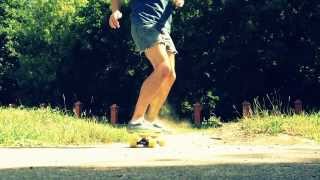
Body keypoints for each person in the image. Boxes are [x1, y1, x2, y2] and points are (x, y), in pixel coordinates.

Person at [109, 0, 184, 132]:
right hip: (144, 22)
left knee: (170, 75)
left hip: (163, 28)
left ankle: (150, 120)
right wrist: (115, 11)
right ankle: (136, 120)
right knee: (163, 67)